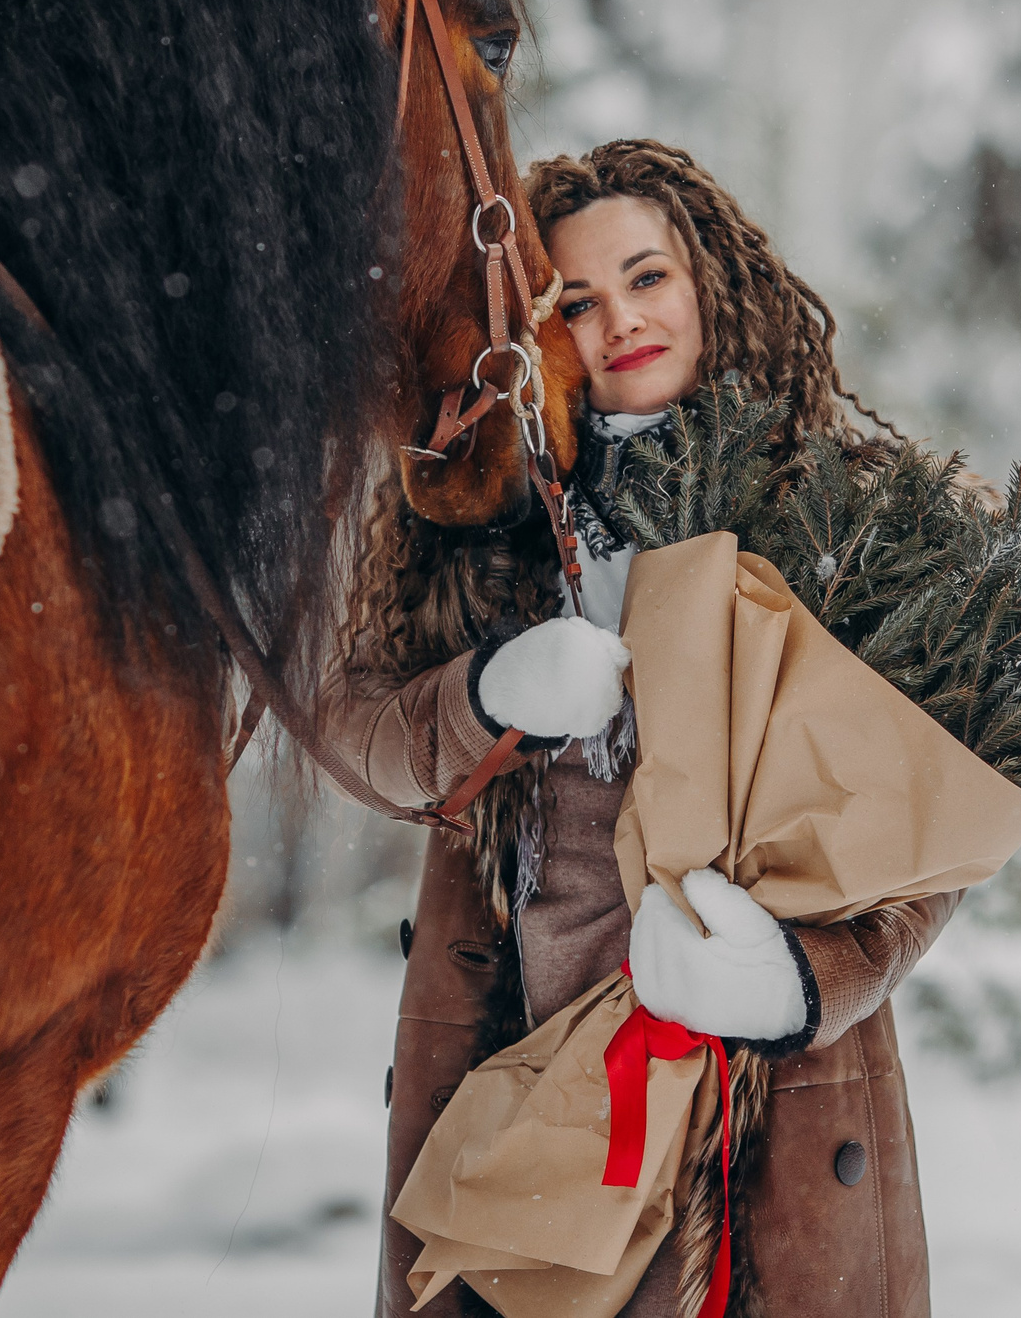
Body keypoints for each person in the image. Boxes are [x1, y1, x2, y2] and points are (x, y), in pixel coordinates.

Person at [321, 139, 960, 1318]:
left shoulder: (833, 514)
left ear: (708, 279)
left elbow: (928, 826)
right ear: (539, 334)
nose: (620, 318)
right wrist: (486, 694)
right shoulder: (485, 526)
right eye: (576, 300)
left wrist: (799, 982)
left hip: (773, 1098)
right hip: (526, 1100)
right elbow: (350, 729)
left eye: (646, 275)